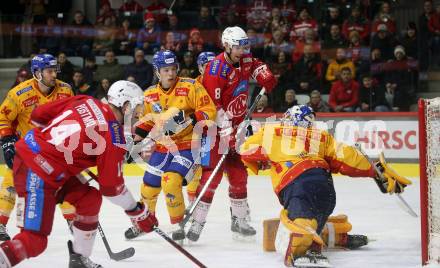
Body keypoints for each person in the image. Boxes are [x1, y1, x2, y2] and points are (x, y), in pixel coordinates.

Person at [0, 81, 158, 267]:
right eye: (137, 107)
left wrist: (67, 151)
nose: (139, 114)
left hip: (42, 161)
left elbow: (37, 116)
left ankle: (79, 258)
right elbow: (112, 189)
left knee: (89, 199)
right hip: (37, 171)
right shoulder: (113, 135)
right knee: (34, 241)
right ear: (125, 106)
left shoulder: (85, 100)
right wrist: (137, 212)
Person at [240, 105, 412, 267]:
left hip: (296, 180)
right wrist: (375, 171)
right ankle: (334, 236)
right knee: (318, 213)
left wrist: (254, 152)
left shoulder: (271, 130)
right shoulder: (321, 136)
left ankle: (300, 250)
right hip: (324, 183)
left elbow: (247, 150)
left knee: (304, 216)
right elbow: (347, 157)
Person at [186, 26, 277, 242]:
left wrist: (264, 74)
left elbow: (255, 64)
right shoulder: (215, 69)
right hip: (215, 131)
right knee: (212, 176)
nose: (243, 50)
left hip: (237, 128)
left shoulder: (244, 59)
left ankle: (238, 220)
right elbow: (212, 106)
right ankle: (197, 222)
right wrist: (227, 131)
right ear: (226, 45)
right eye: (238, 46)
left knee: (239, 175)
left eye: (245, 46)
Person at [123, 50, 216, 242]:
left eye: (173, 68)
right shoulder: (150, 94)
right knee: (148, 187)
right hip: (163, 147)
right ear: (158, 71)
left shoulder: (191, 86)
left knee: (171, 181)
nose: (171, 73)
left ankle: (178, 225)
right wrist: (135, 143)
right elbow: (146, 122)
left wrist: (189, 118)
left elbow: (209, 111)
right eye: (166, 69)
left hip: (189, 145)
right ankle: (145, 223)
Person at [0, 54, 74, 241]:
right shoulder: (19, 93)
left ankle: (73, 222)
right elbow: (3, 118)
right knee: (11, 182)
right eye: (49, 71)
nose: (54, 75)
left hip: (55, 149)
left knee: (66, 185)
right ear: (37, 73)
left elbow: (74, 117)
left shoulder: (66, 90)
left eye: (55, 70)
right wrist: (7, 142)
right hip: (28, 148)